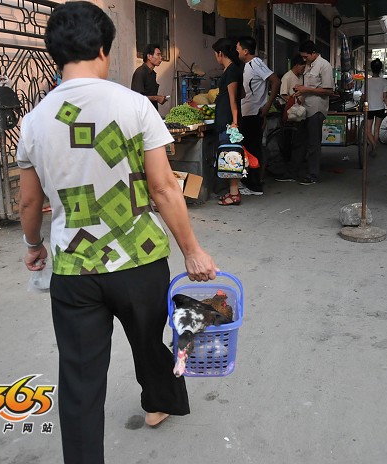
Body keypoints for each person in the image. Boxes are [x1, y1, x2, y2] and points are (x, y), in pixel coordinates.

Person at [17, 3, 218, 462]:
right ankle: (158, 404)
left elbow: (29, 203)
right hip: (139, 258)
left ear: (54, 53)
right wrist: (192, 250)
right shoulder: (135, 106)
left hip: (75, 266)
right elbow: (165, 188)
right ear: (104, 49)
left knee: (81, 376)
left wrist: (33, 246)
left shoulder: (35, 121)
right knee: (148, 339)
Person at [236, 36, 281, 195]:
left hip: (254, 113)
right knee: (250, 148)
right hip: (248, 112)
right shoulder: (248, 65)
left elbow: (276, 81)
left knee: (253, 149)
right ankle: (251, 183)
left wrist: (267, 107)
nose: (237, 52)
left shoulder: (256, 63)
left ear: (246, 51)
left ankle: (254, 186)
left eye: (238, 49)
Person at [293, 40, 334, 185]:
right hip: (306, 107)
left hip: (317, 109)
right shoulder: (309, 66)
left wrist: (306, 90)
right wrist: (301, 93)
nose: (304, 59)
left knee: (313, 143)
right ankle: (303, 170)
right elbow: (309, 87)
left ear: (313, 53)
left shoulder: (324, 65)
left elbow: (328, 90)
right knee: (304, 141)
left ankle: (313, 175)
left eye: (306, 56)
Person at [212, 38, 244, 206]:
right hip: (226, 117)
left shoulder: (231, 70)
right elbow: (242, 95)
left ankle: (234, 194)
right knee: (229, 154)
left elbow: (233, 99)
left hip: (229, 121)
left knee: (231, 154)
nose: (215, 58)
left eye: (215, 54)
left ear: (220, 53)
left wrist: (235, 122)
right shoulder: (230, 70)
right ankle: (234, 192)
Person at [275, 55, 309, 182]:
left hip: (300, 113)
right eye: (302, 66)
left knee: (299, 141)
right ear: (296, 65)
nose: (303, 69)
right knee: (291, 141)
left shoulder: (301, 77)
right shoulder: (287, 77)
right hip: (290, 113)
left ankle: (295, 167)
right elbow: (283, 95)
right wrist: (293, 103)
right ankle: (290, 169)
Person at [362, 58, 387, 155]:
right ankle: (374, 147)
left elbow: (363, 96)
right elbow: (385, 97)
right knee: (376, 130)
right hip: (380, 108)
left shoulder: (367, 81)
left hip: (369, 108)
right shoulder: (384, 81)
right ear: (380, 69)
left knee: (367, 130)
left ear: (371, 69)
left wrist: (360, 105)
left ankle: (374, 145)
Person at [130, 43, 167, 109]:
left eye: (160, 55)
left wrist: (159, 98)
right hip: (142, 113)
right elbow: (137, 97)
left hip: (152, 111)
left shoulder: (152, 74)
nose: (161, 58)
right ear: (149, 56)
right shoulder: (140, 72)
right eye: (158, 55)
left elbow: (149, 94)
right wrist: (156, 98)